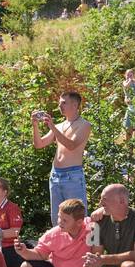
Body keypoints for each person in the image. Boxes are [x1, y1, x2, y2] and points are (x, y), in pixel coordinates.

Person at [33, 91, 92, 225]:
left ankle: (80, 246)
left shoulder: (84, 125)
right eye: (60, 103)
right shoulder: (59, 126)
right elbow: (39, 144)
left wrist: (52, 127)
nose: (60, 106)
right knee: (58, 220)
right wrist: (35, 126)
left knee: (77, 219)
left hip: (73, 176)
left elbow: (71, 145)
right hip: (55, 176)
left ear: (75, 105)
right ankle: (60, 246)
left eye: (64, 103)